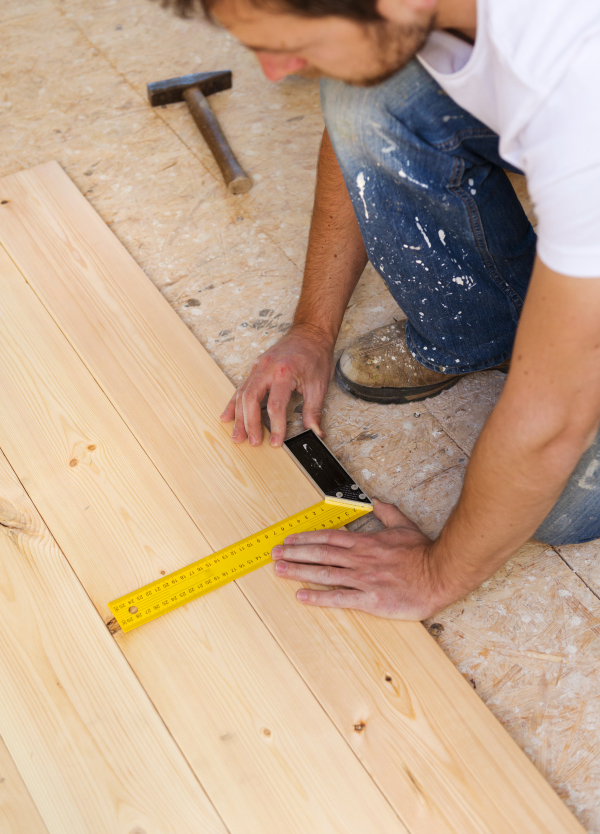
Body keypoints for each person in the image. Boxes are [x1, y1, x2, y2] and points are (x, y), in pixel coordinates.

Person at [171, 0, 600, 620]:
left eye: (290, 41)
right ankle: (495, 332)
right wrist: (311, 329)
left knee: (554, 502)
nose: (272, 72)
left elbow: (552, 422)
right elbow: (360, 105)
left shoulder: (577, 88)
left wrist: (435, 574)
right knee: (371, 101)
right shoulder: (424, 14)